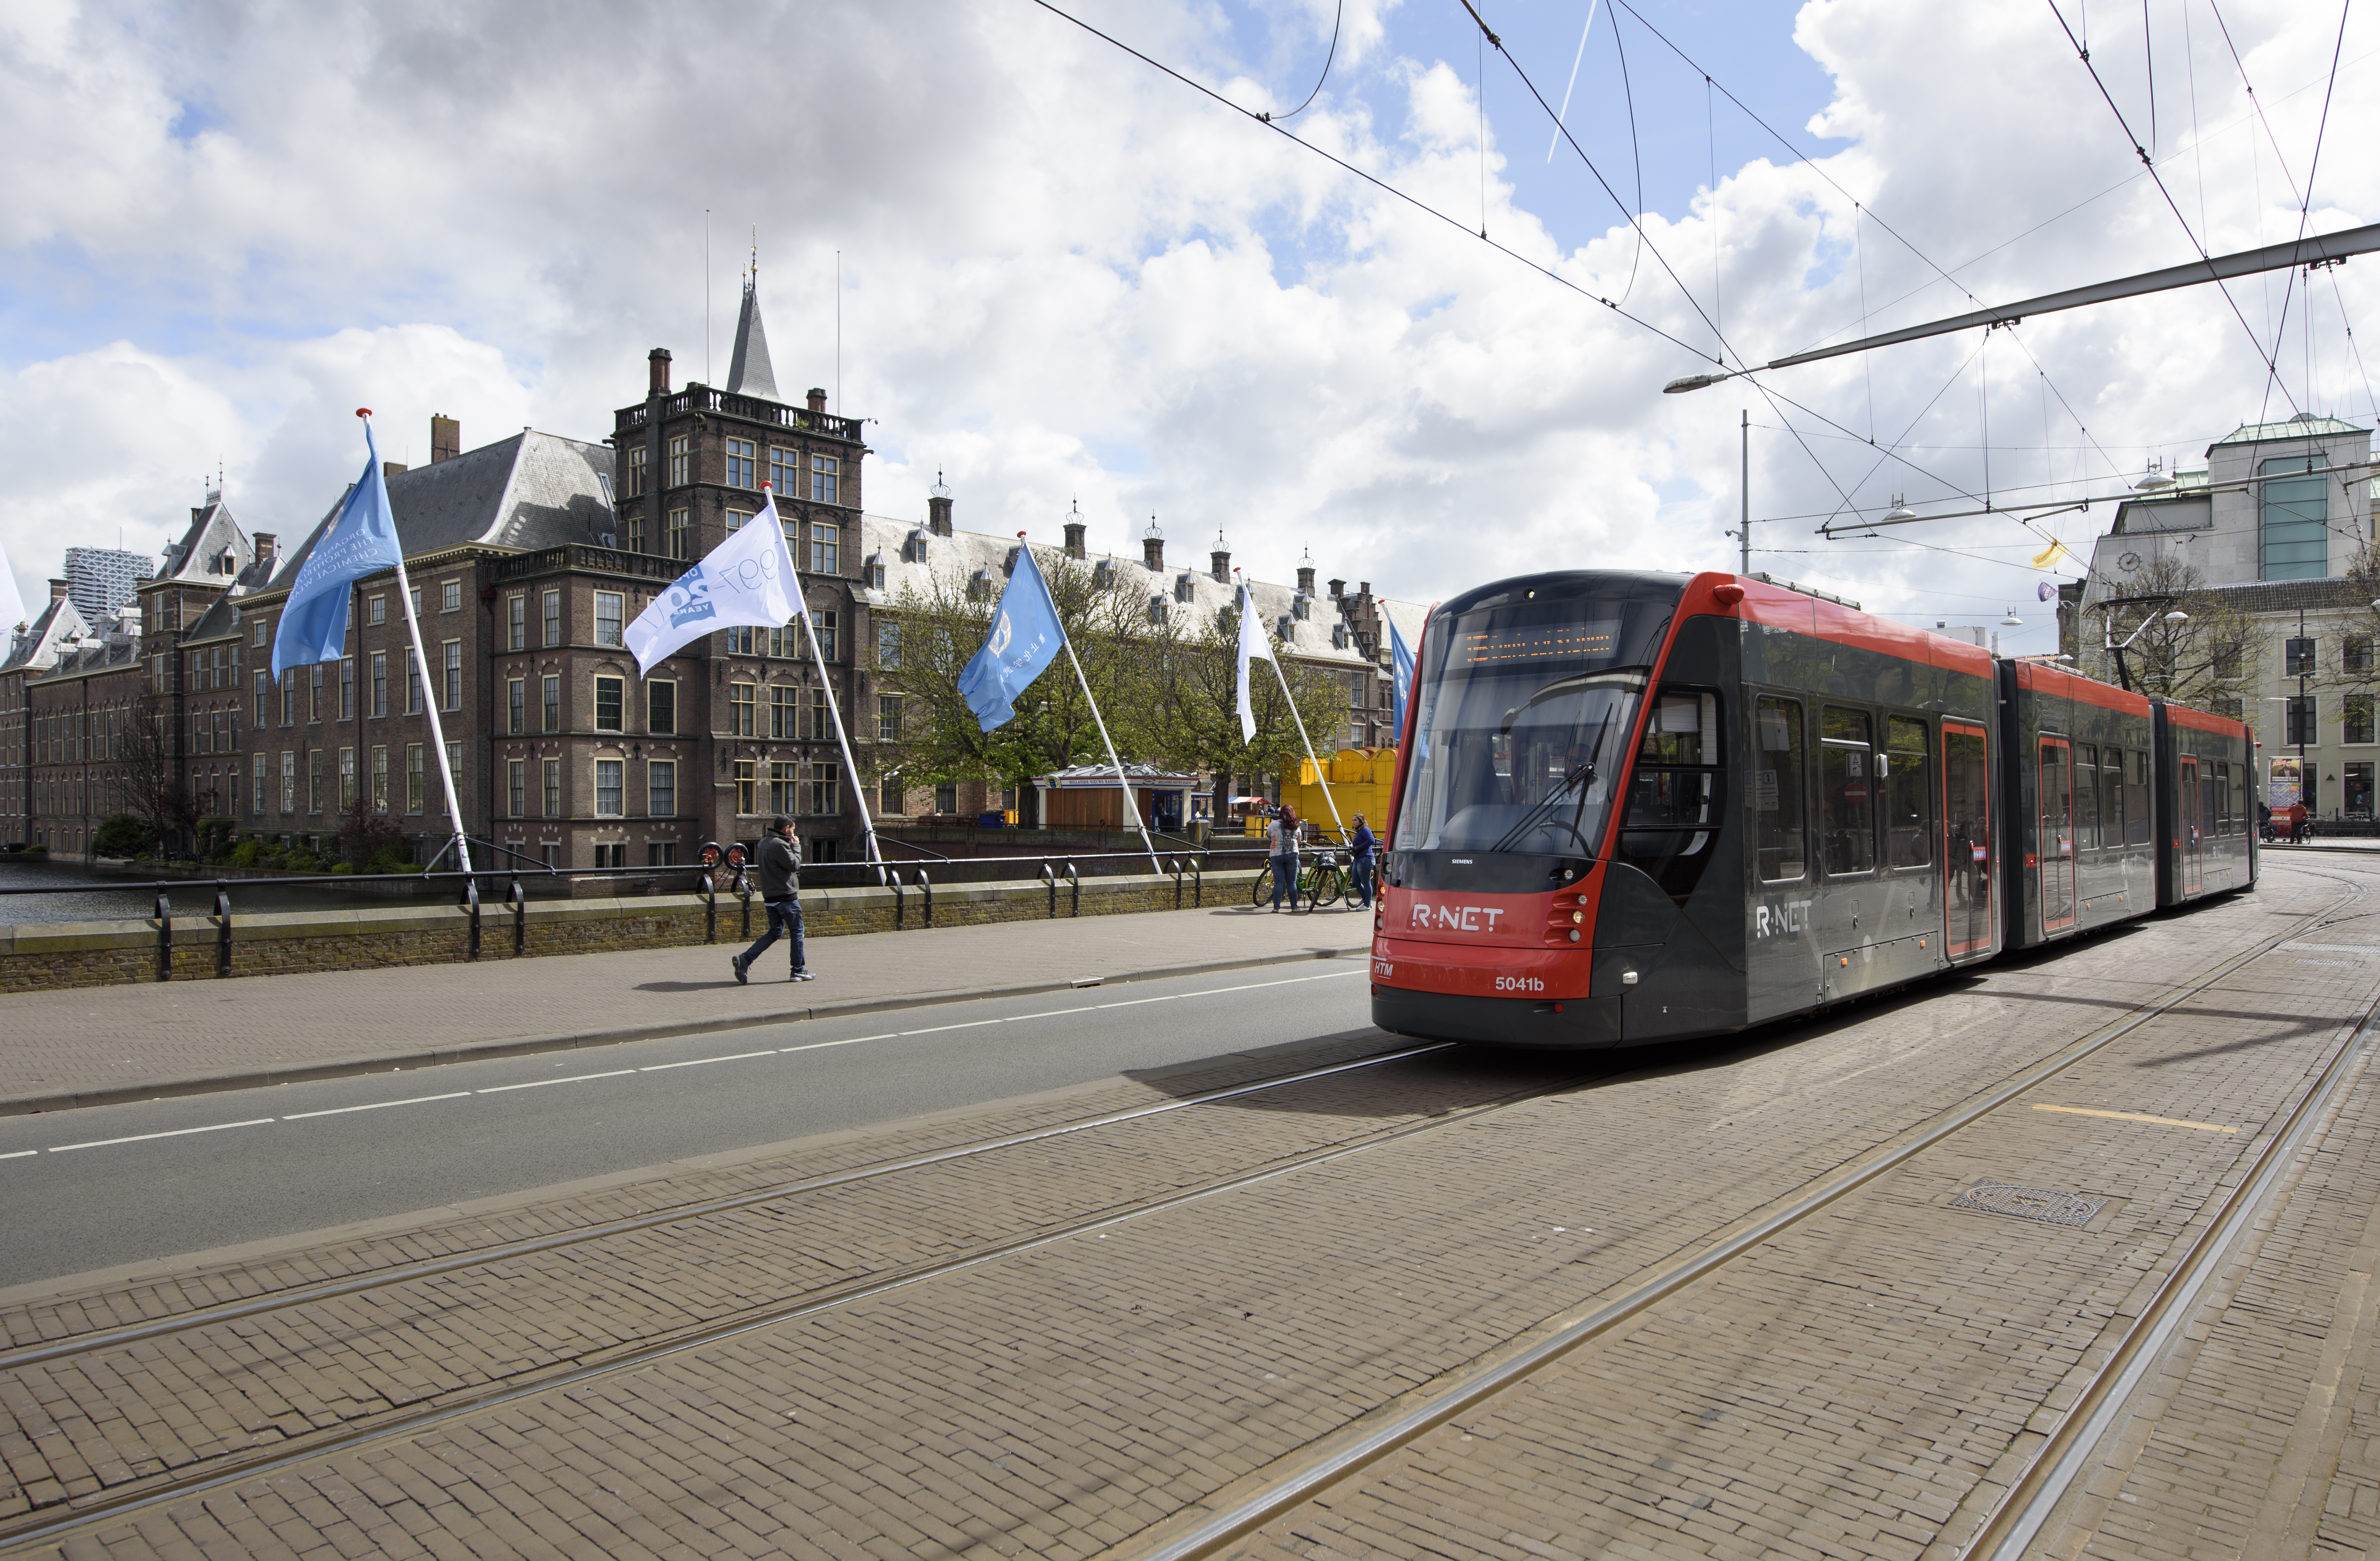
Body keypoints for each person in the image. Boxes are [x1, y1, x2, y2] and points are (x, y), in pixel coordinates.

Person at [732, 815, 812, 983]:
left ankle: (745, 959)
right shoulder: (780, 844)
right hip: (786, 897)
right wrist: (796, 846)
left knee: (775, 932)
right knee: (797, 932)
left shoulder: (764, 843)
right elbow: (795, 865)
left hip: (770, 898)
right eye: (793, 829)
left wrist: (788, 847)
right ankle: (798, 970)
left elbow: (777, 864)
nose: (793, 833)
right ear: (786, 828)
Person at [1267, 803, 1301, 912]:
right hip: (1292, 854)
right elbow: (1299, 839)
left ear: (1281, 813)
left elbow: (1268, 835)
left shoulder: (1274, 824)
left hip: (1276, 854)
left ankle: (1276, 908)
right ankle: (1294, 907)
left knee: (1279, 882)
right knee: (1292, 882)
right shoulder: (1296, 825)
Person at [1349, 812, 1378, 909]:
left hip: (1366, 859)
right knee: (1356, 882)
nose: (1353, 822)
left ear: (1361, 821)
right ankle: (1368, 902)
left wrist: (1359, 848)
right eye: (1353, 820)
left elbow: (1371, 840)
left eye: (1355, 820)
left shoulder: (1365, 829)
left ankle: (1367, 905)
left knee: (1366, 882)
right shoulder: (1359, 832)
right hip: (1358, 859)